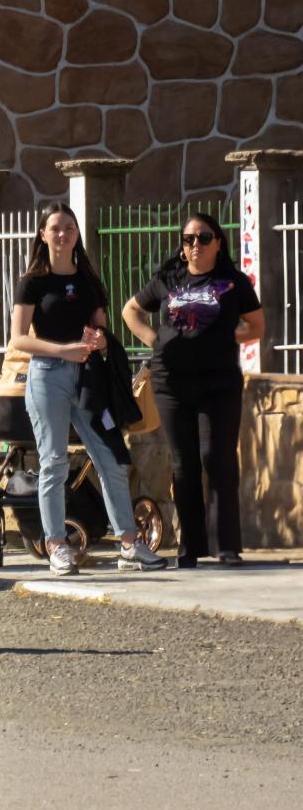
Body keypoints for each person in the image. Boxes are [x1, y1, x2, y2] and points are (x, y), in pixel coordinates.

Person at [10, 203, 165, 576]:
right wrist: (62, 350)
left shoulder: (87, 281)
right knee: (54, 461)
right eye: (55, 228)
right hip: (47, 375)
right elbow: (18, 340)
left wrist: (97, 340)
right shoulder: (32, 281)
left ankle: (129, 543)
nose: (62, 235)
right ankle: (56, 545)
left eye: (69, 228)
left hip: (86, 380)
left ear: (77, 234)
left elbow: (101, 328)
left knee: (109, 458)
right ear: (43, 234)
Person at [121, 211, 263, 569]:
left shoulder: (233, 282)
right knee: (184, 465)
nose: (195, 244)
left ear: (218, 242)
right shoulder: (168, 279)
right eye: (188, 239)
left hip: (219, 382)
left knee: (217, 459)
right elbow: (130, 311)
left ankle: (226, 546)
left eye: (203, 237)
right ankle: (191, 547)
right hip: (172, 382)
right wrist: (156, 341)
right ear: (182, 247)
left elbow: (256, 327)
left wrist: (219, 338)